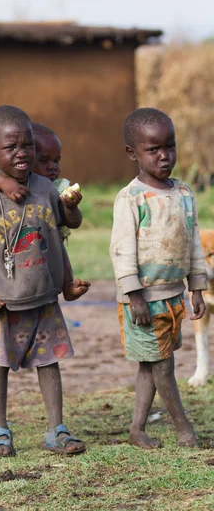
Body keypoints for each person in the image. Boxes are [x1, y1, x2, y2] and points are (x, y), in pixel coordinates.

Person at [0, 105, 86, 457]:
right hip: (3, 302)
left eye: (27, 146)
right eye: (11, 148)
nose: (22, 153)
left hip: (44, 298)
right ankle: (0, 430)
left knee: (49, 361)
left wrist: (72, 206)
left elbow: (68, 223)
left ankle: (57, 429)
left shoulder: (45, 188)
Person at [110, 107, 206, 449]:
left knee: (152, 365)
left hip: (173, 296)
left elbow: (192, 242)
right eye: (153, 150)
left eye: (170, 147)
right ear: (132, 153)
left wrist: (196, 287)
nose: (164, 156)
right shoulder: (130, 198)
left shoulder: (183, 193)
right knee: (163, 366)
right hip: (143, 301)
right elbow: (121, 251)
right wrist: (133, 294)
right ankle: (184, 429)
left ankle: (137, 429)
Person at [0, 121, 90, 314]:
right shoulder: (3, 178)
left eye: (56, 160)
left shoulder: (55, 187)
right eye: (44, 161)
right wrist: (3, 183)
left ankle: (67, 285)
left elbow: (73, 223)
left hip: (43, 245)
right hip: (2, 242)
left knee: (58, 245)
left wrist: (71, 207)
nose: (53, 167)